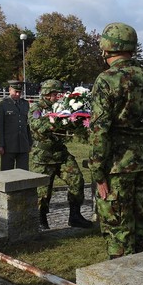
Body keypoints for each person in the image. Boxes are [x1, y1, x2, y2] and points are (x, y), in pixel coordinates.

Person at [89, 22, 143, 259]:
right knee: (141, 227)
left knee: (118, 230)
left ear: (107, 48)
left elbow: (100, 130)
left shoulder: (107, 79)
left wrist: (98, 173)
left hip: (117, 166)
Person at [30, 79, 92, 230]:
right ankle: (41, 218)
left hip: (60, 153)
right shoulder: (37, 108)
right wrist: (55, 120)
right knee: (43, 191)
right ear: (46, 93)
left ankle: (75, 216)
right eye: (55, 94)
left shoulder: (63, 106)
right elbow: (36, 125)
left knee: (76, 179)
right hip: (43, 156)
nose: (58, 96)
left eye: (59, 94)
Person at [0, 80, 31, 170]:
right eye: (16, 92)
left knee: (23, 173)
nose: (18, 94)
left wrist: (30, 142)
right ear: (10, 90)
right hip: (8, 145)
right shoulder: (2, 104)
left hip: (23, 144)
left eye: (20, 92)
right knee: (7, 172)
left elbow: (28, 125)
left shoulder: (25, 104)